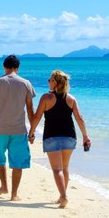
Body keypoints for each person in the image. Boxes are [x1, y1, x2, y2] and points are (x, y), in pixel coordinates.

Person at [29, 70, 90, 208]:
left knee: (57, 170)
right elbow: (79, 118)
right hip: (69, 137)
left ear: (56, 83)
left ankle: (63, 197)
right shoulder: (71, 99)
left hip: (52, 137)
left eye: (50, 80)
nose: (48, 82)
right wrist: (85, 136)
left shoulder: (46, 98)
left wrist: (31, 133)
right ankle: (62, 195)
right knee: (65, 168)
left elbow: (37, 117)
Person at [0, 55, 36, 201]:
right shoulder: (26, 83)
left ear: (4, 66)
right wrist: (32, 131)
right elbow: (30, 110)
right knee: (18, 162)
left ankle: (3, 186)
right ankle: (14, 194)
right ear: (17, 68)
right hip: (19, 130)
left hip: (0, 129)